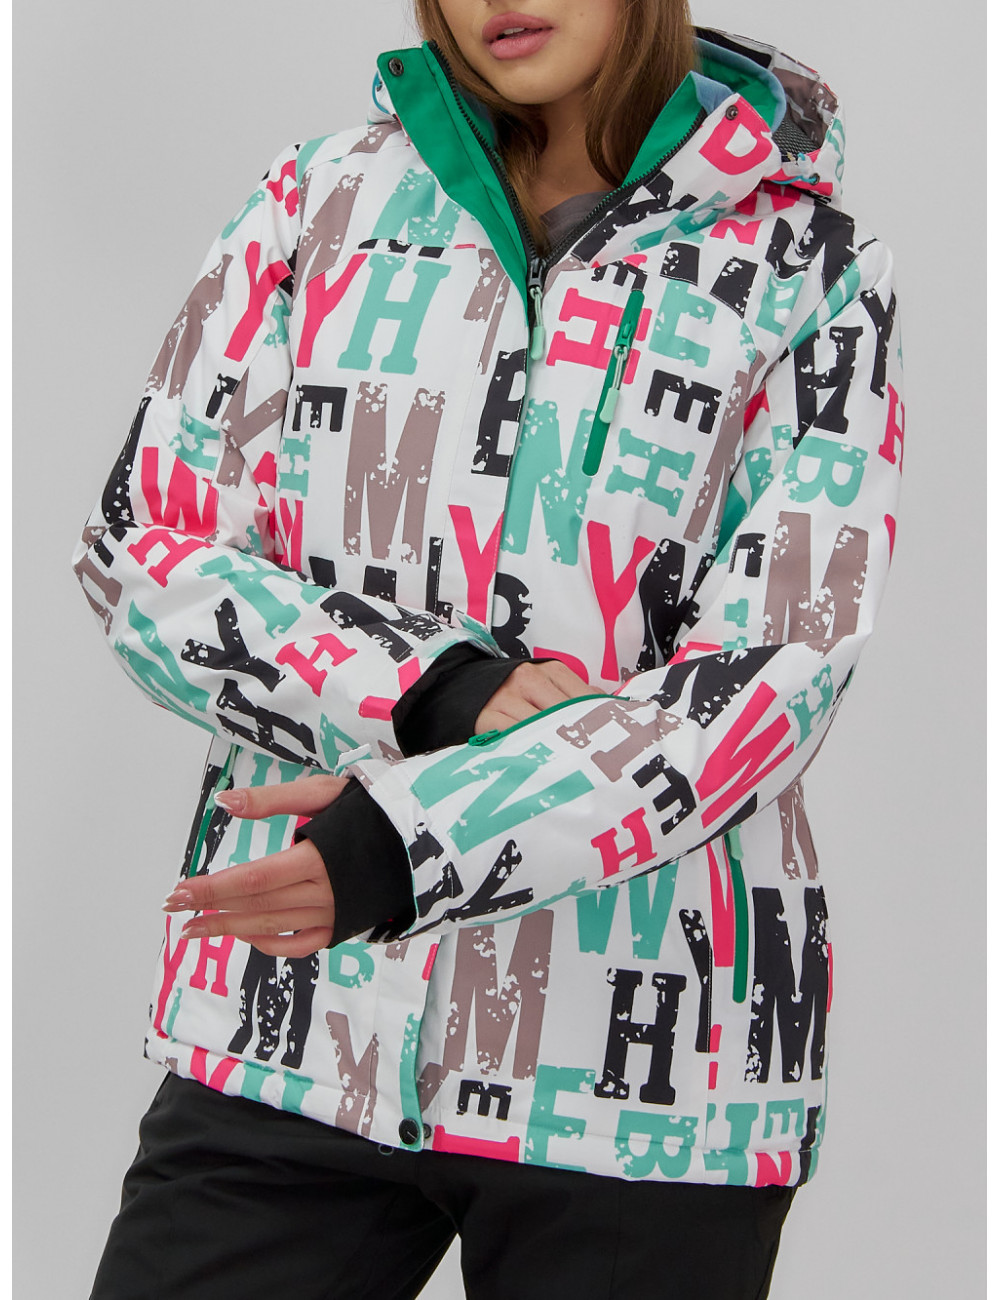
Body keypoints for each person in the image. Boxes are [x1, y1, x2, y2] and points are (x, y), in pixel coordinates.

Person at [73, 1, 903, 1296]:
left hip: (645, 1083)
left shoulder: (810, 266)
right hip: (296, 1027)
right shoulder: (316, 203)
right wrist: (433, 690)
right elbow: (143, 552)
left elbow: (774, 675)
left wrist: (407, 846)